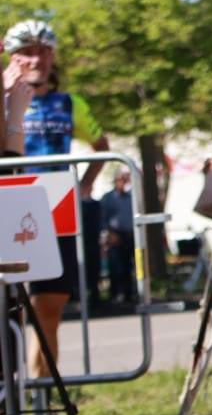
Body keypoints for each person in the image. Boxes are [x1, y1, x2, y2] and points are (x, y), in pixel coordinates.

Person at [6, 19, 112, 376]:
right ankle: (11, 389)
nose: (36, 60)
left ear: (53, 57)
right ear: (12, 57)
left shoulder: (70, 104)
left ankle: (43, 391)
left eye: (43, 51)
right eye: (27, 52)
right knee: (10, 309)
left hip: (55, 213)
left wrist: (85, 184)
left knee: (48, 308)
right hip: (9, 208)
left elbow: (101, 146)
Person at [98, 168, 137, 305]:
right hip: (114, 235)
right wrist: (109, 233)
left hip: (129, 235)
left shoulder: (131, 197)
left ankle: (128, 294)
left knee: (128, 266)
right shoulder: (108, 198)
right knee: (115, 266)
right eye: (121, 180)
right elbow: (103, 218)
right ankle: (114, 294)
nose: (123, 183)